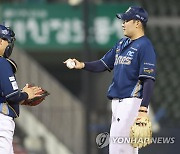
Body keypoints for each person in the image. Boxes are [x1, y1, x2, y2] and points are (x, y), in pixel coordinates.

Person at [64, 6, 156, 154]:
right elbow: (103, 64)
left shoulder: (145, 46)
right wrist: (81, 65)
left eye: (126, 20)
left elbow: (148, 80)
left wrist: (143, 109)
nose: (123, 23)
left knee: (122, 149)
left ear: (138, 23)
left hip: (131, 103)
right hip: (117, 104)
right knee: (117, 149)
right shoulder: (121, 44)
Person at [0, 24, 42, 154]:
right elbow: (12, 94)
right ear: (1, 41)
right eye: (9, 41)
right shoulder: (1, 62)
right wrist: (25, 95)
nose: (10, 45)